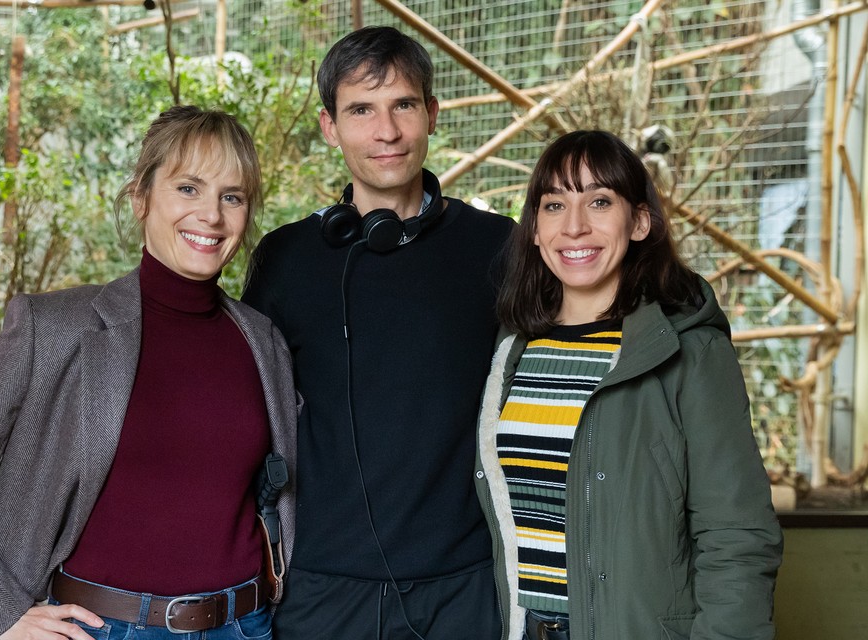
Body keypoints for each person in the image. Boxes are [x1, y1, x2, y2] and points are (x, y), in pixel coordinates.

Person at [0, 105, 300, 640]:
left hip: (246, 626)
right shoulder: (53, 328)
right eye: (187, 189)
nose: (211, 215)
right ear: (140, 199)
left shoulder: (261, 339)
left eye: (232, 196)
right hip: (102, 628)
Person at [243, 26, 515, 639]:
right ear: (329, 127)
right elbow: (246, 413)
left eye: (403, 106)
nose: (386, 131)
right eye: (361, 109)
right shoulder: (286, 257)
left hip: (464, 586)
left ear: (432, 115)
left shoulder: (500, 247)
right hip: (319, 585)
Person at [475, 130, 783, 640]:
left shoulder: (690, 353)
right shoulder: (512, 351)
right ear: (533, 229)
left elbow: (737, 535)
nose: (574, 227)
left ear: (640, 221)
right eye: (554, 205)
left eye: (599, 201)